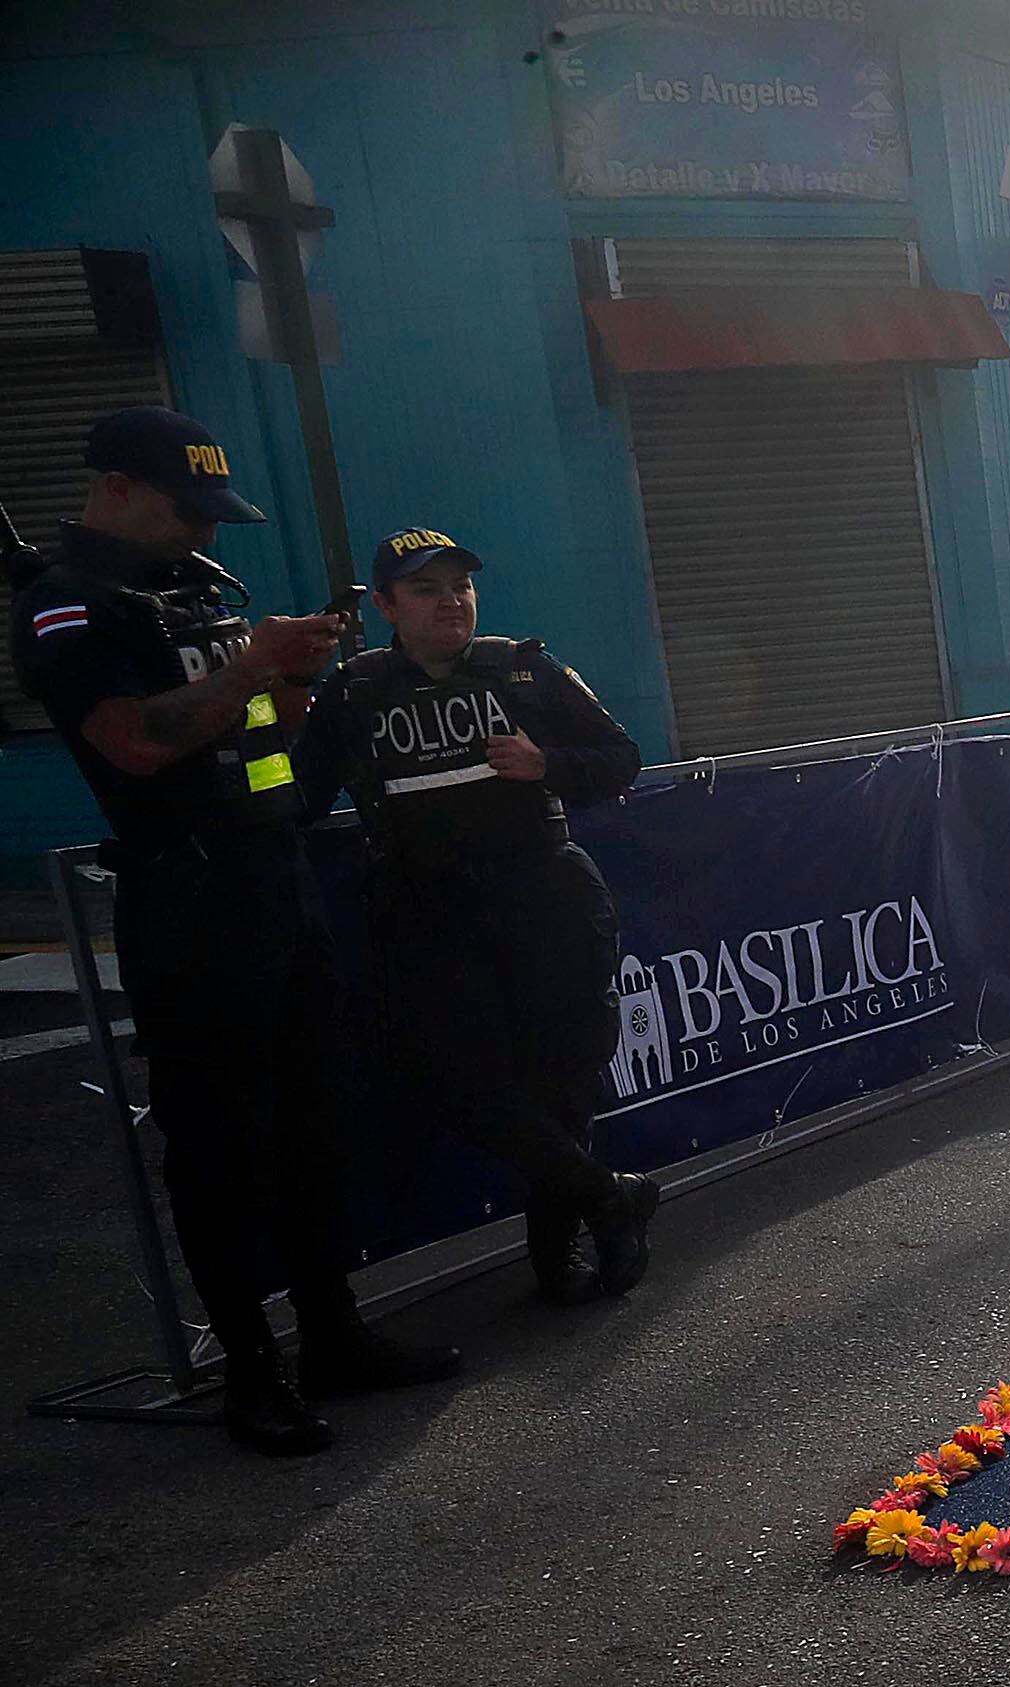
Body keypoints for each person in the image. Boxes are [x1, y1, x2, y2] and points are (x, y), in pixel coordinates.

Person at [8, 409, 457, 1454]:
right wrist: (254, 668)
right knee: (219, 1151)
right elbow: (133, 745)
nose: (203, 537)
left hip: (273, 878)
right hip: (188, 900)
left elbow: (265, 738)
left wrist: (292, 673)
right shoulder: (64, 611)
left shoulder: (198, 590)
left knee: (314, 1126)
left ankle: (335, 1338)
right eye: (184, 511)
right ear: (116, 489)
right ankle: (253, 1375)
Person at [293, 527, 655, 1302]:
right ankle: (607, 1194)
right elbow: (298, 796)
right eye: (426, 589)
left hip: (545, 895)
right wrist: (274, 692)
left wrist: (545, 764)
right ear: (386, 606)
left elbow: (622, 759)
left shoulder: (521, 668)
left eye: (460, 585)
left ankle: (557, 1262)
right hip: (426, 911)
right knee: (453, 1081)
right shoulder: (354, 691)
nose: (450, 601)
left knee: (561, 1084)